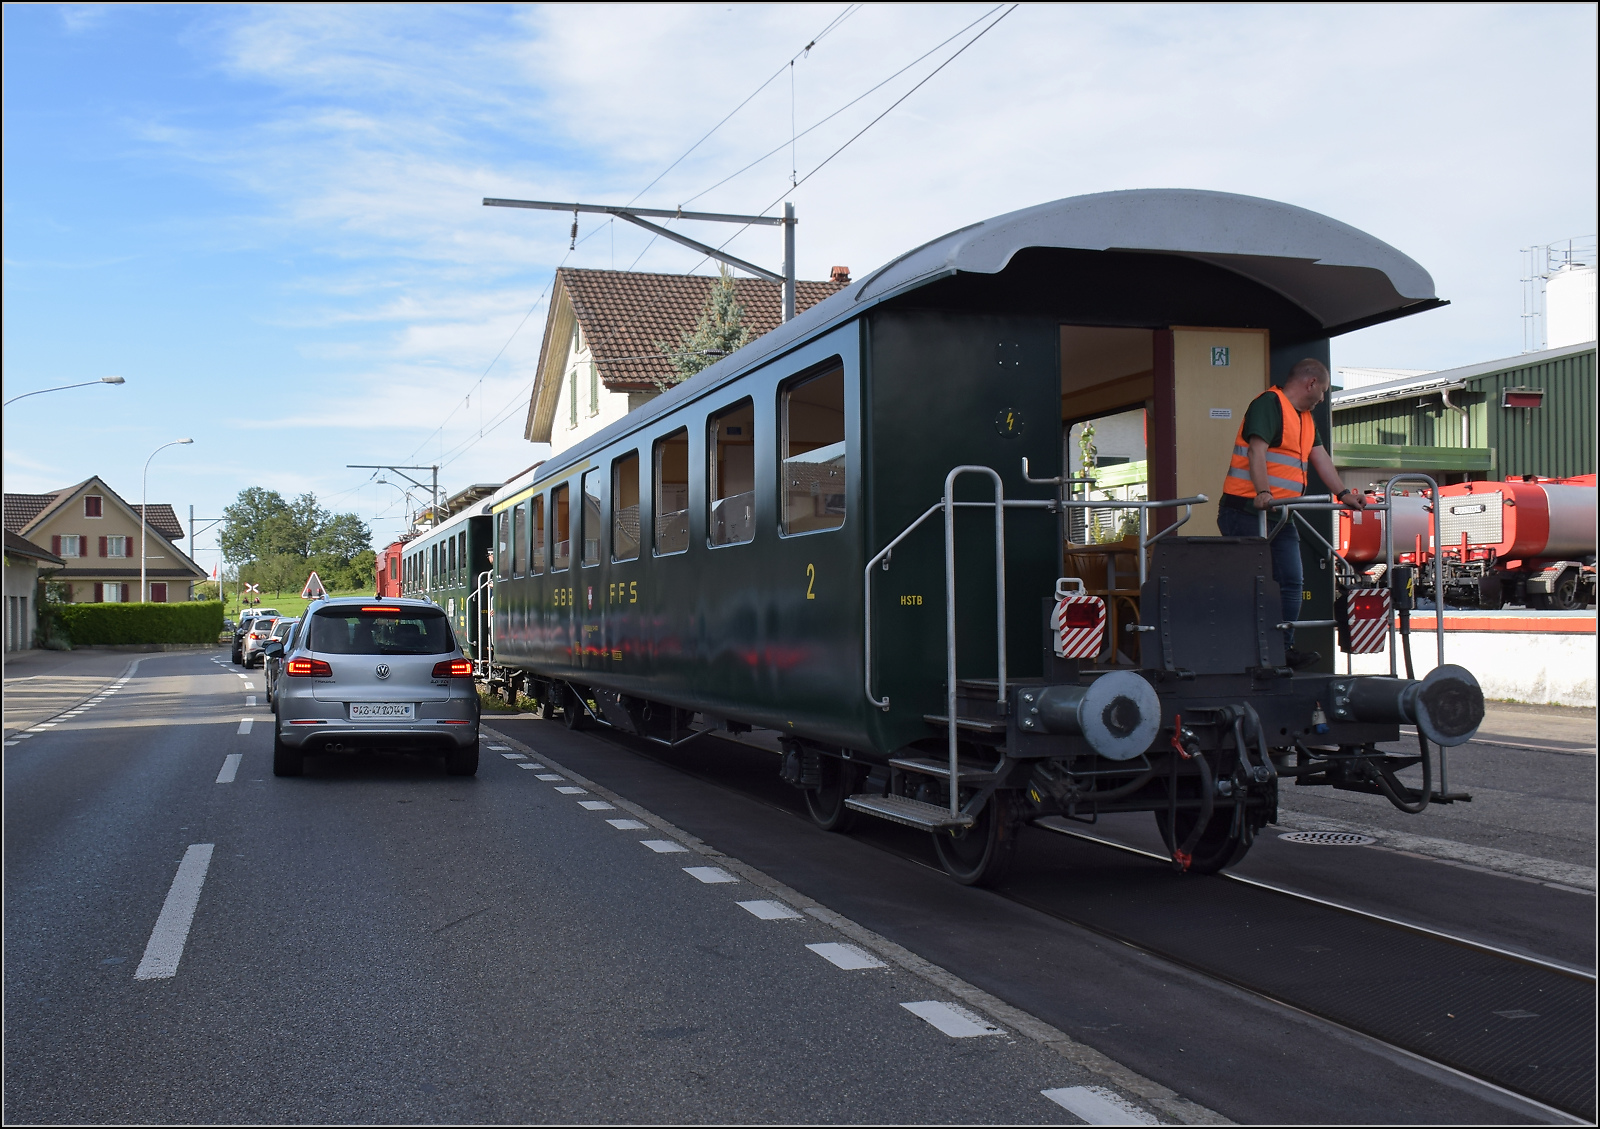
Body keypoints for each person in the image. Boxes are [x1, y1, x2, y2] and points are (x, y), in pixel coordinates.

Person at [1218, 357, 1366, 668]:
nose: (1323, 398)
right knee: (1253, 583)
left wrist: (1343, 493)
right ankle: (1247, 652)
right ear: (1310, 384)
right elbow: (1256, 450)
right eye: (1323, 390)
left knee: (1291, 580)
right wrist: (1263, 493)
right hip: (1245, 511)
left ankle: (1281, 648)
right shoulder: (1269, 404)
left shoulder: (1306, 418)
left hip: (1281, 515)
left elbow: (1320, 456)